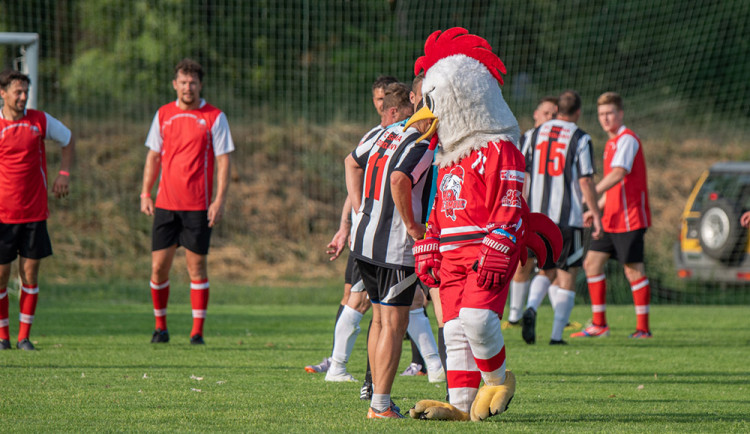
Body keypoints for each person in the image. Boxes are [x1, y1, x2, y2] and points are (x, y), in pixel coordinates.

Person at [345, 82, 434, 418]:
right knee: (394, 325)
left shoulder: (385, 132)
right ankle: (380, 405)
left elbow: (350, 162)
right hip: (395, 248)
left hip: (364, 241)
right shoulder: (424, 139)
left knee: (380, 321)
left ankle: (376, 397)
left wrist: (360, 212)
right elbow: (399, 179)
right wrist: (413, 227)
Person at [304, 75, 398, 377]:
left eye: (386, 98)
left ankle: (427, 366)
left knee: (399, 303)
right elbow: (355, 174)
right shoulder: (377, 136)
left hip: (384, 231)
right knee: (359, 299)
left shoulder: (403, 134)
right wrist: (351, 221)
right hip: (376, 232)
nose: (381, 104)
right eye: (377, 99)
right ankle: (339, 365)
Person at [140, 58, 234, 345]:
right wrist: (145, 192)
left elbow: (223, 161)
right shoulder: (164, 114)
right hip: (166, 205)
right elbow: (153, 156)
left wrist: (218, 200)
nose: (188, 87)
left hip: (198, 206)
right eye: (183, 82)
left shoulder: (214, 117)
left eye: (192, 82)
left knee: (197, 269)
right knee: (158, 268)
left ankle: (197, 332)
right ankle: (160, 328)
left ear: (200, 85)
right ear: (175, 85)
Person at [0, 69, 75, 351]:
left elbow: (68, 139)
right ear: (3, 93)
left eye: (25, 92)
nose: (22, 97)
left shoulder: (39, 121)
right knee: (1, 276)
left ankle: (24, 337)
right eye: (17, 92)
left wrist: (64, 173)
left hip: (33, 213)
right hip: (2, 215)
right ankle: (3, 337)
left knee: (29, 275)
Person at [520, 90, 602, 345]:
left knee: (545, 270)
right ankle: (556, 336)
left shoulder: (531, 135)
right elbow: (585, 180)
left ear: (556, 111)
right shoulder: (580, 137)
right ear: (578, 112)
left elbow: (522, 175)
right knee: (567, 274)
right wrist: (596, 213)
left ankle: (531, 307)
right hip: (568, 218)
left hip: (537, 216)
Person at [573, 91, 652, 339]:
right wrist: (598, 207)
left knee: (633, 271)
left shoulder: (628, 140)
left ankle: (643, 329)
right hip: (612, 217)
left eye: (610, 113)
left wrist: (592, 193)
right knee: (591, 264)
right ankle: (599, 325)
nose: (605, 118)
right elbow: (616, 185)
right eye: (601, 114)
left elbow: (618, 174)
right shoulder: (611, 143)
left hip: (630, 218)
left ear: (621, 113)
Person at [504, 96, 558, 328]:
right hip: (530, 212)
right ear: (536, 115)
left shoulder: (560, 145)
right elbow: (519, 174)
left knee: (550, 267)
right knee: (523, 264)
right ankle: (518, 314)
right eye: (546, 113)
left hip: (553, 215)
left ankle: (524, 313)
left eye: (554, 115)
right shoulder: (526, 140)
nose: (550, 119)